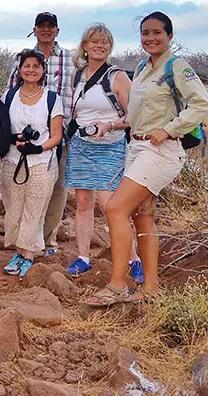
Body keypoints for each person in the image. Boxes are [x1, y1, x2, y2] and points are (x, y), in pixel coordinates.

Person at [84, 12, 208, 306]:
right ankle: (151, 288)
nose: (150, 38)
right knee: (143, 215)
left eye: (156, 33)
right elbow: (136, 114)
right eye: (145, 33)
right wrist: (113, 126)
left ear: (170, 36)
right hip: (137, 147)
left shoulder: (176, 66)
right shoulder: (142, 67)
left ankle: (117, 285)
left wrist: (168, 129)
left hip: (161, 150)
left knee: (115, 208)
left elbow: (202, 104)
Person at [63, 24, 144, 282]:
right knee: (83, 202)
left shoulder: (117, 77)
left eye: (105, 42)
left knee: (110, 205)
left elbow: (135, 116)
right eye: (94, 41)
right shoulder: (77, 76)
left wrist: (109, 125)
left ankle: (133, 259)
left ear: (110, 47)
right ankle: (83, 257)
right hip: (81, 145)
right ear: (84, 46)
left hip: (110, 146)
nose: (100, 46)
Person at [7, 12, 75, 257]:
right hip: (23, 141)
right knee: (23, 187)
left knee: (56, 189)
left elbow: (75, 91)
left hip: (60, 132)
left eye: (50, 26)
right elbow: (10, 93)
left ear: (57, 30)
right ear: (34, 30)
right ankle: (24, 241)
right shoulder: (23, 58)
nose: (46, 30)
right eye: (41, 26)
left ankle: (46, 240)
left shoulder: (70, 58)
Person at [0, 49, 64, 279]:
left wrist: (37, 147)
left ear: (43, 70)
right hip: (12, 161)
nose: (31, 70)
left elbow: (56, 135)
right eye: (26, 65)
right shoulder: (8, 96)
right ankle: (19, 252)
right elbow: (1, 127)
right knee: (14, 209)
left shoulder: (51, 99)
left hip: (41, 163)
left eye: (36, 66)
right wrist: (13, 140)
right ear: (19, 69)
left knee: (34, 211)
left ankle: (28, 255)